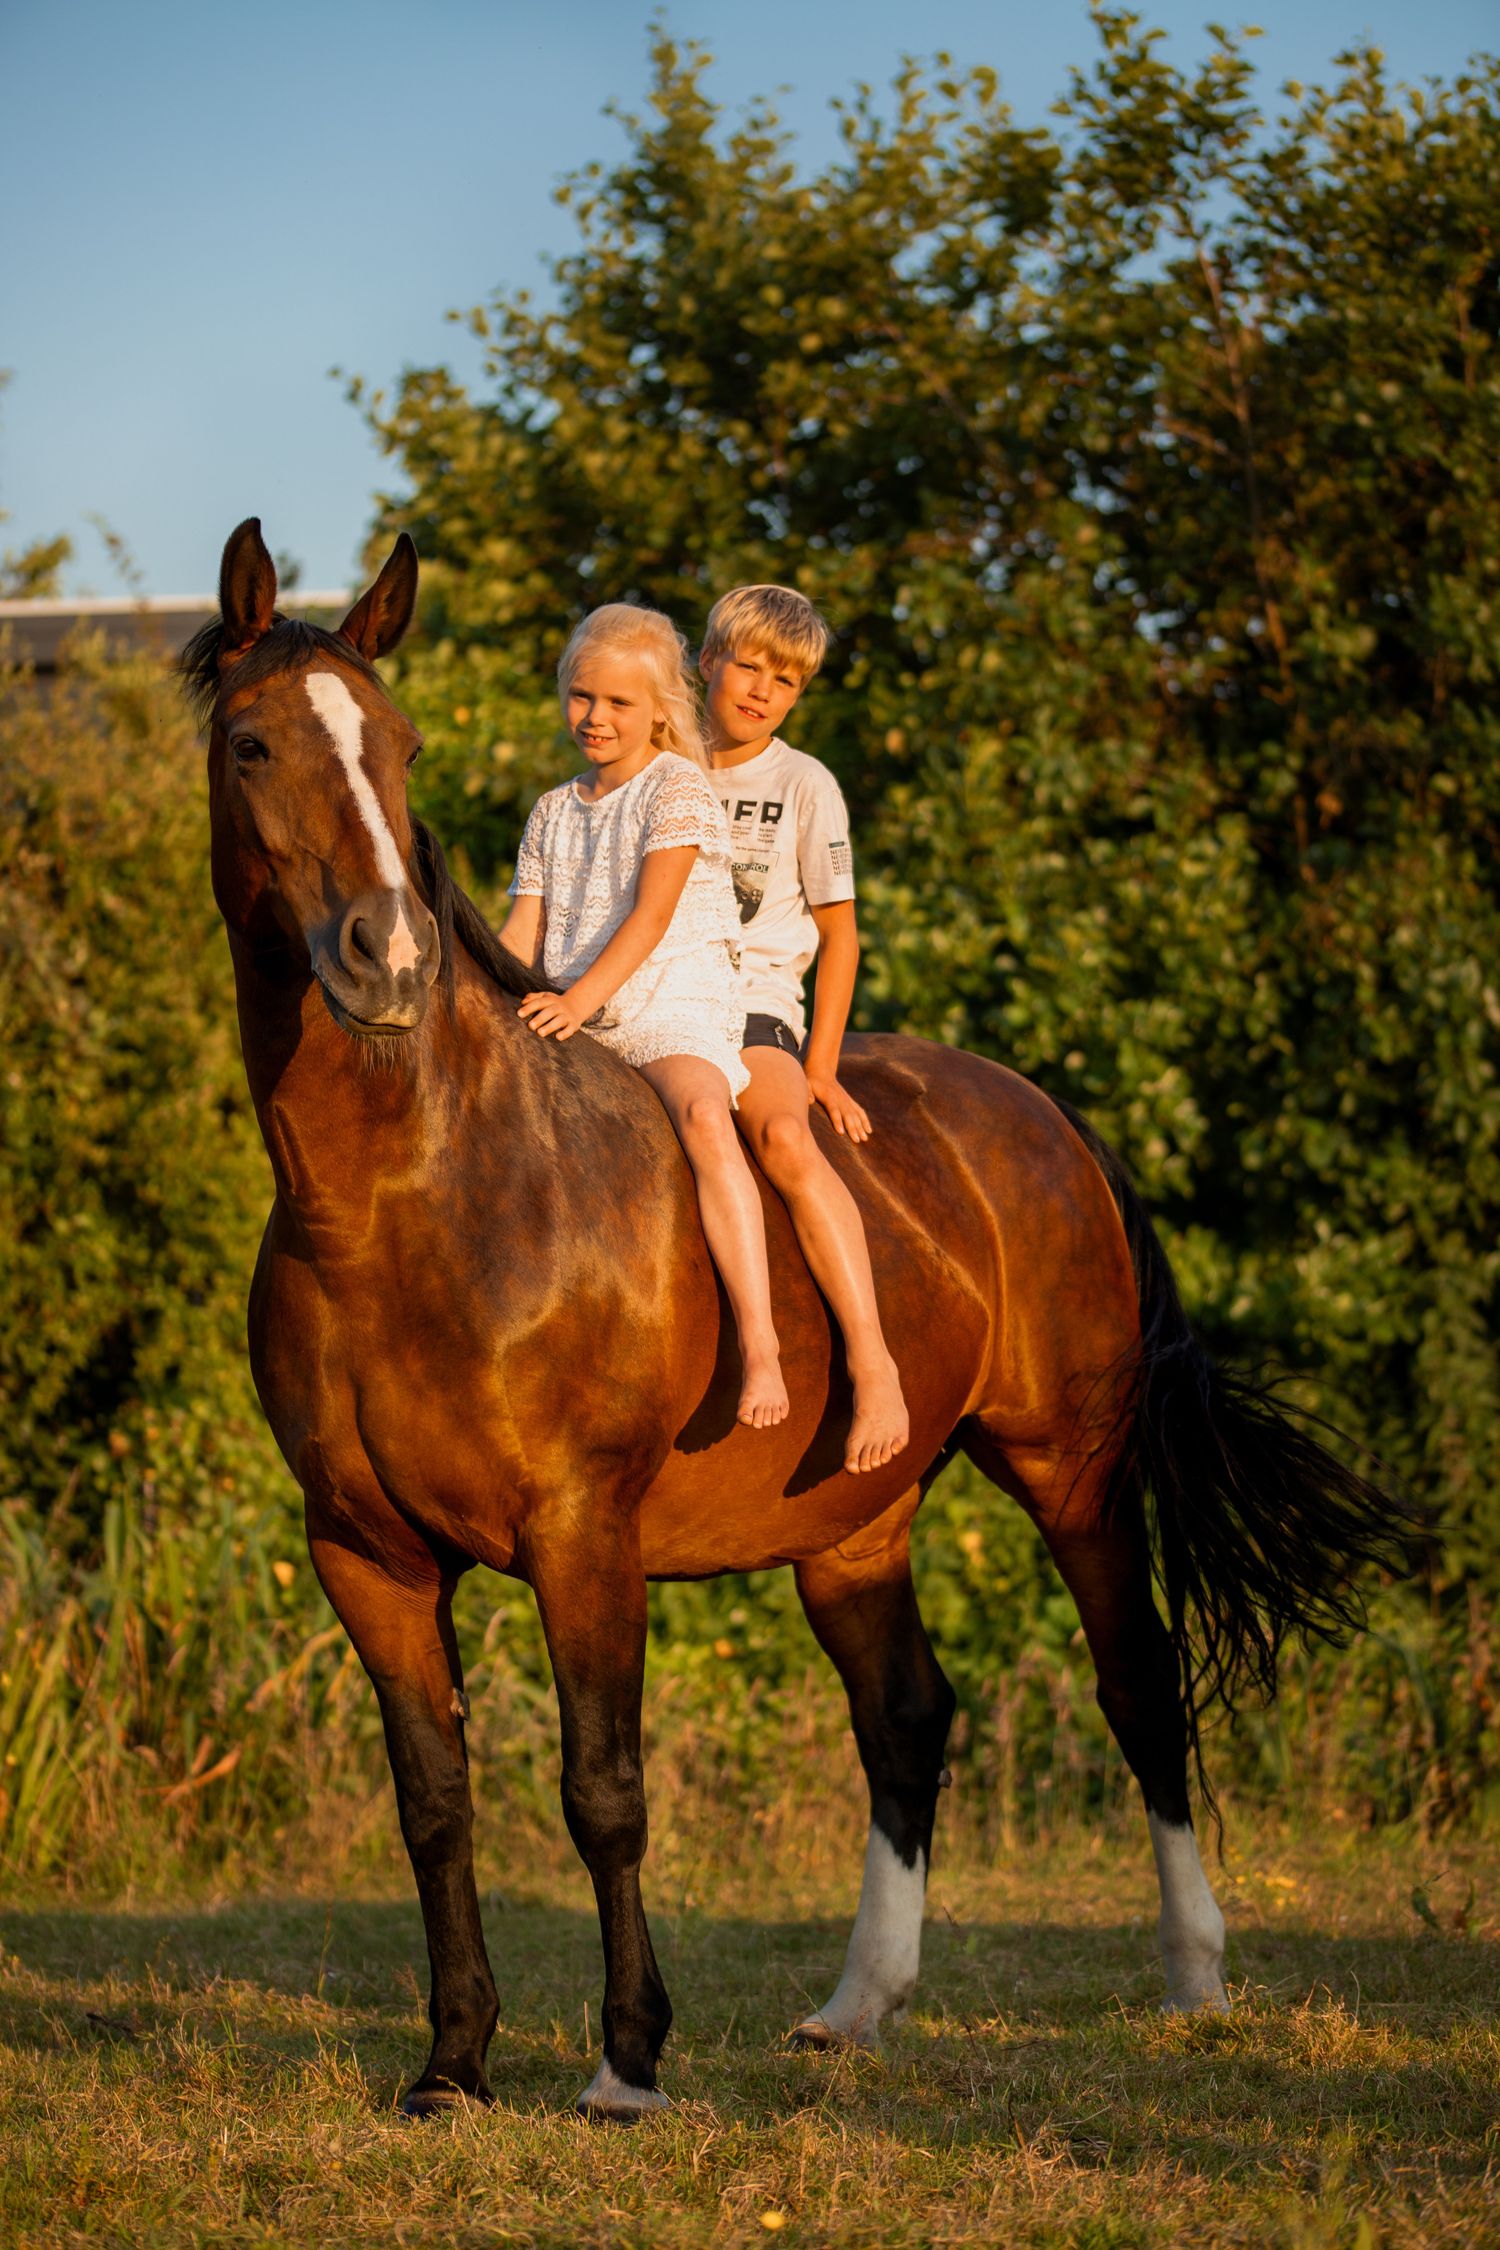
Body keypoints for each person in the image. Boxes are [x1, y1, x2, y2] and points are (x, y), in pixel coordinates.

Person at [500, 602, 788, 1430]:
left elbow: (651, 918)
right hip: (572, 1007)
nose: (595, 718)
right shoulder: (554, 810)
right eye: (582, 697)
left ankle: (761, 1340)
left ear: (660, 710)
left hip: (668, 997)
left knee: (702, 1112)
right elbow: (525, 929)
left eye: (619, 704)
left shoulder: (678, 789)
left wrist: (579, 1003)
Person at [700, 584, 909, 1475]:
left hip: (752, 1002)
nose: (759, 690)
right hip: (652, 998)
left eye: (784, 682)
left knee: (784, 1136)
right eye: (748, 665)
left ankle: (872, 1358)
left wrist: (820, 1068)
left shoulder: (804, 785)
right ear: (707, 660)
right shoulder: (661, 764)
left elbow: (839, 932)